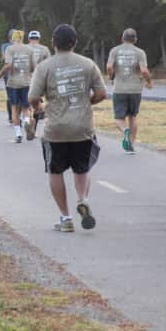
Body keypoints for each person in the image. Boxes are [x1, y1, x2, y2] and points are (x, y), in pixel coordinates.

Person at [28, 24, 108, 233]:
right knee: (82, 168)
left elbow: (33, 97)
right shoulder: (88, 64)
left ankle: (65, 218)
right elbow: (101, 93)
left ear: (53, 42)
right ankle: (83, 199)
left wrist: (40, 108)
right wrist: (85, 103)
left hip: (55, 130)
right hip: (83, 127)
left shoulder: (45, 67)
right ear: (75, 43)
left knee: (55, 171)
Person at [106, 28, 152, 154]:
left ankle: (124, 130)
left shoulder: (115, 51)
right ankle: (131, 145)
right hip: (135, 90)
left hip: (119, 89)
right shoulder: (140, 52)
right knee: (133, 117)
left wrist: (111, 76)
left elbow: (109, 67)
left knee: (119, 118)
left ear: (122, 38)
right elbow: (144, 71)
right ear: (135, 39)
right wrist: (149, 81)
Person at [0, 30, 35, 143]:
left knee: (14, 108)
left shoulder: (10, 49)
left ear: (13, 38)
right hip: (26, 82)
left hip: (13, 83)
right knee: (25, 107)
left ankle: (18, 135)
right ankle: (26, 121)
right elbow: (34, 67)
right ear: (23, 38)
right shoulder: (29, 49)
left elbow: (8, 65)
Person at [26, 30, 51, 137]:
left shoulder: (24, 48)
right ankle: (34, 129)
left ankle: (27, 119)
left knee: (26, 104)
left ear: (29, 39)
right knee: (37, 104)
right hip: (39, 79)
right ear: (39, 38)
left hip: (25, 79)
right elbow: (50, 64)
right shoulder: (44, 49)